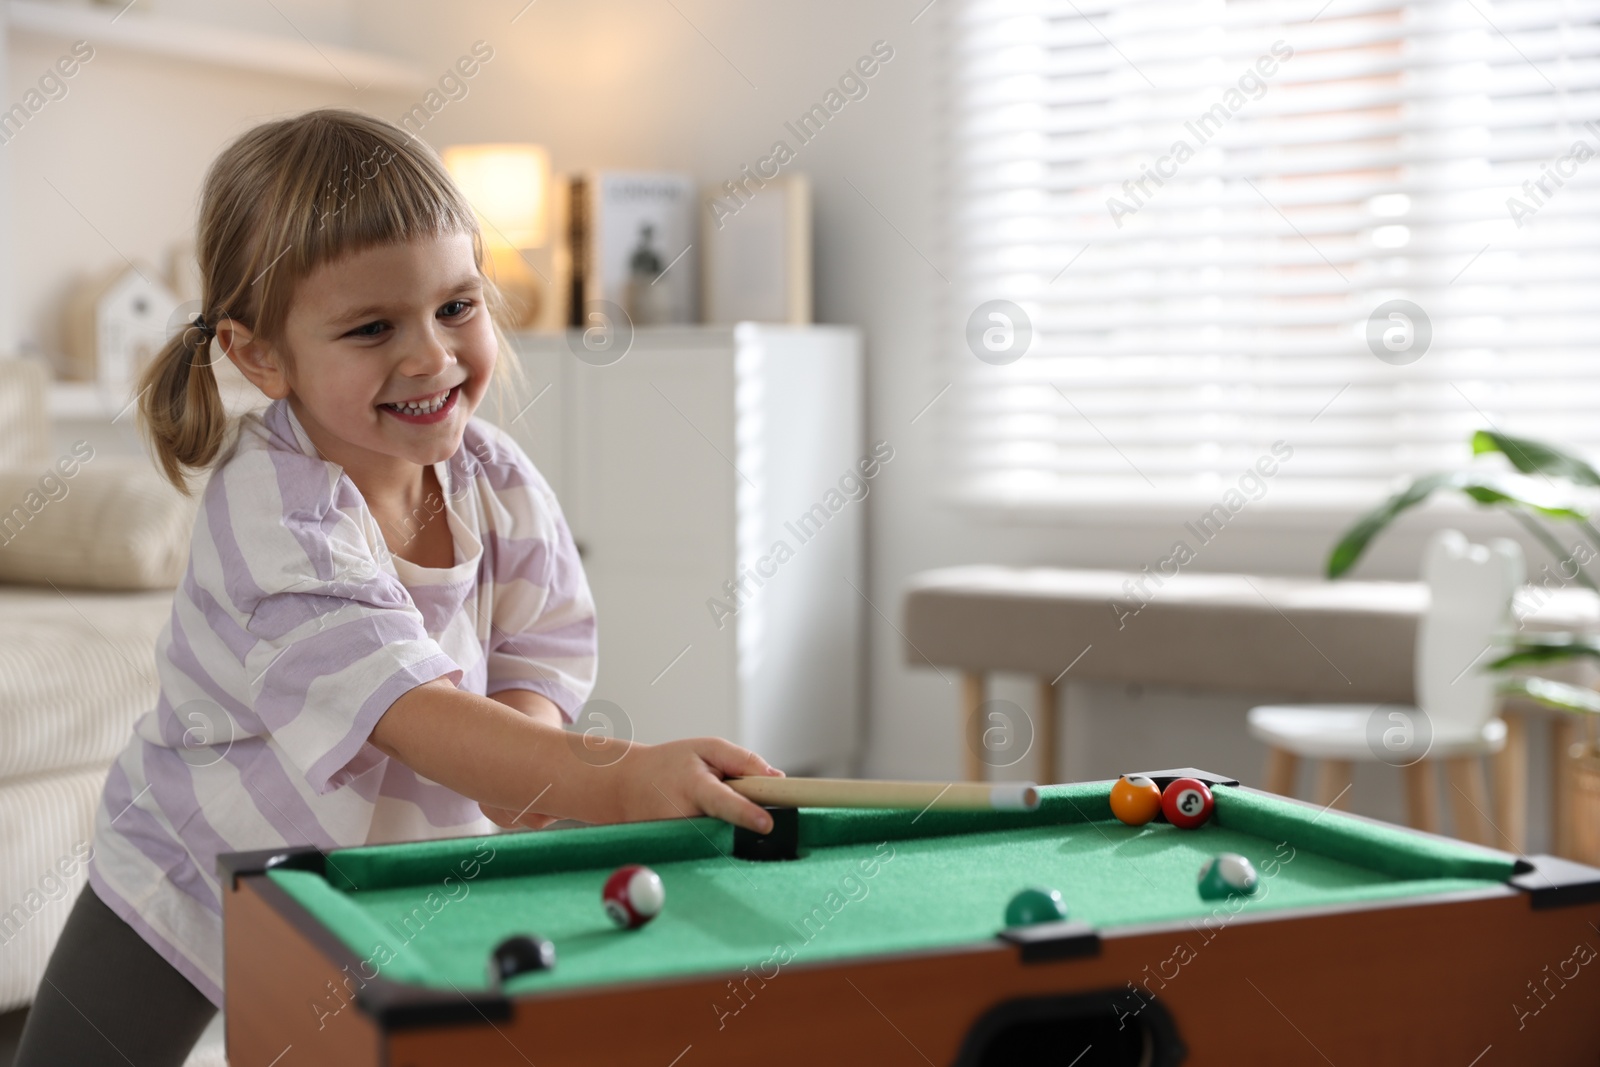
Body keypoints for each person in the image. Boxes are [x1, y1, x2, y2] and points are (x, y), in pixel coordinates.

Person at [14, 108, 781, 1067]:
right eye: (373, 327)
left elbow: (537, 643)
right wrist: (613, 779)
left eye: (456, 306)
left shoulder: (494, 476)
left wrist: (533, 763)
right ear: (262, 356)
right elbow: (406, 707)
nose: (431, 356)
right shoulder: (276, 518)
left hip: (381, 872)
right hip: (189, 872)